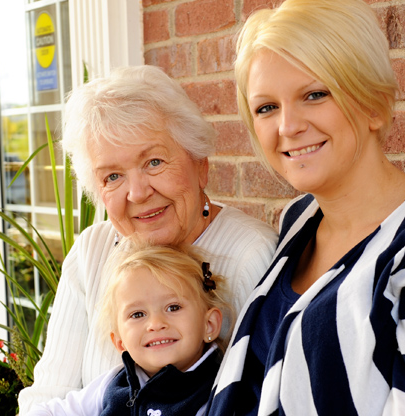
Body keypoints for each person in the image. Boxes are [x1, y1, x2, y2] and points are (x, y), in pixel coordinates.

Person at [208, 0, 405, 415]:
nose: (287, 126)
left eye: (315, 94)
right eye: (267, 107)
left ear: (373, 104)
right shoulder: (300, 220)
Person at [18, 65, 278, 412]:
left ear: (200, 164)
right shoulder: (91, 253)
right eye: (113, 176)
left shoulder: (251, 254)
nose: (138, 193)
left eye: (154, 162)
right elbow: (46, 399)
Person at [23, 242, 230, 416]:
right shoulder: (114, 383)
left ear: (209, 324)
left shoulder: (216, 390)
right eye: (138, 314)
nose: (156, 323)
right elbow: (57, 411)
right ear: (120, 342)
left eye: (173, 307)